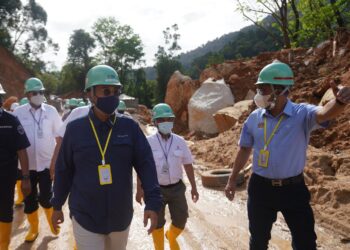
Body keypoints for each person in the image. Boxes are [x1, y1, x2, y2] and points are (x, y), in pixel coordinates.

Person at [224, 60, 350, 250]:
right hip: (260, 189)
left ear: (281, 90)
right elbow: (244, 149)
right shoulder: (254, 118)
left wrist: (339, 101)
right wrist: (232, 179)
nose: (259, 94)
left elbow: (325, 113)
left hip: (293, 189)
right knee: (258, 241)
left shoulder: (302, 114)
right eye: (258, 89)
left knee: (305, 242)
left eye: (263, 89)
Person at [51, 65, 162, 250]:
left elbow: (146, 165)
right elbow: (64, 170)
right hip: (85, 215)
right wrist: (56, 205)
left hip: (120, 217)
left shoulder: (130, 128)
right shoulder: (75, 129)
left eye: (116, 91)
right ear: (91, 95)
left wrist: (153, 202)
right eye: (106, 91)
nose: (112, 96)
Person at [136, 103, 199, 250]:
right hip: (155, 190)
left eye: (168, 119)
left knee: (181, 220)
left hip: (177, 189)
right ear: (155, 123)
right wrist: (139, 189)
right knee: (156, 223)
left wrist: (194, 188)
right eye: (162, 120)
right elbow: (142, 168)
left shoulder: (180, 141)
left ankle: (170, 236)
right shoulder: (148, 143)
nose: (166, 122)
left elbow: (188, 164)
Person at [13, 77, 62, 242]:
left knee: (46, 198)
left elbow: (60, 137)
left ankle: (52, 223)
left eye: (41, 92)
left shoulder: (51, 111)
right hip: (27, 167)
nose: (39, 95)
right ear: (27, 94)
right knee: (29, 198)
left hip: (47, 164)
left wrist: (57, 161)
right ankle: (33, 229)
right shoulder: (18, 113)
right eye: (35, 92)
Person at [0, 83, 31, 249]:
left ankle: (3, 245)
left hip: (6, 176)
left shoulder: (11, 120)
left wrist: (25, 178)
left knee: (5, 209)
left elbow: (22, 150)